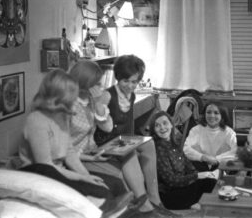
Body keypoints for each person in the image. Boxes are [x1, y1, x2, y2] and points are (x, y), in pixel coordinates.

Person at [18, 69, 132, 218]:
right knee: (101, 193)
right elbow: (45, 167)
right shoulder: (36, 120)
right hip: (41, 174)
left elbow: (69, 152)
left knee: (115, 183)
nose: (76, 99)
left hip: (60, 170)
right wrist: (82, 178)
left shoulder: (62, 116)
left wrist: (87, 176)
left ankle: (129, 213)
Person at [69, 59, 175, 218]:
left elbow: (108, 125)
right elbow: (64, 145)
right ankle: (146, 206)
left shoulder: (93, 100)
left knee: (145, 144)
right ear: (85, 84)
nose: (100, 87)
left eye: (135, 81)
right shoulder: (69, 105)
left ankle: (153, 200)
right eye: (96, 84)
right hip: (93, 148)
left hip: (100, 146)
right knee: (128, 152)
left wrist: (97, 104)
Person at [149, 111, 218, 210]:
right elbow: (171, 181)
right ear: (154, 130)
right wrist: (197, 176)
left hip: (181, 187)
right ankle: (199, 205)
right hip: (170, 196)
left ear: (171, 125)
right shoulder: (159, 149)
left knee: (209, 179)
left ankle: (203, 204)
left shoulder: (174, 144)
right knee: (206, 182)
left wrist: (202, 175)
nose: (162, 128)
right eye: (157, 125)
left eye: (165, 123)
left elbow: (189, 166)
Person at [183, 101, 237, 172]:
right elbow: (186, 149)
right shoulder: (195, 130)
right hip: (200, 166)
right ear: (204, 114)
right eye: (208, 112)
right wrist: (203, 157)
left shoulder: (229, 133)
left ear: (222, 115)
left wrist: (217, 159)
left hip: (220, 166)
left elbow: (235, 152)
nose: (212, 115)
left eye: (216, 113)